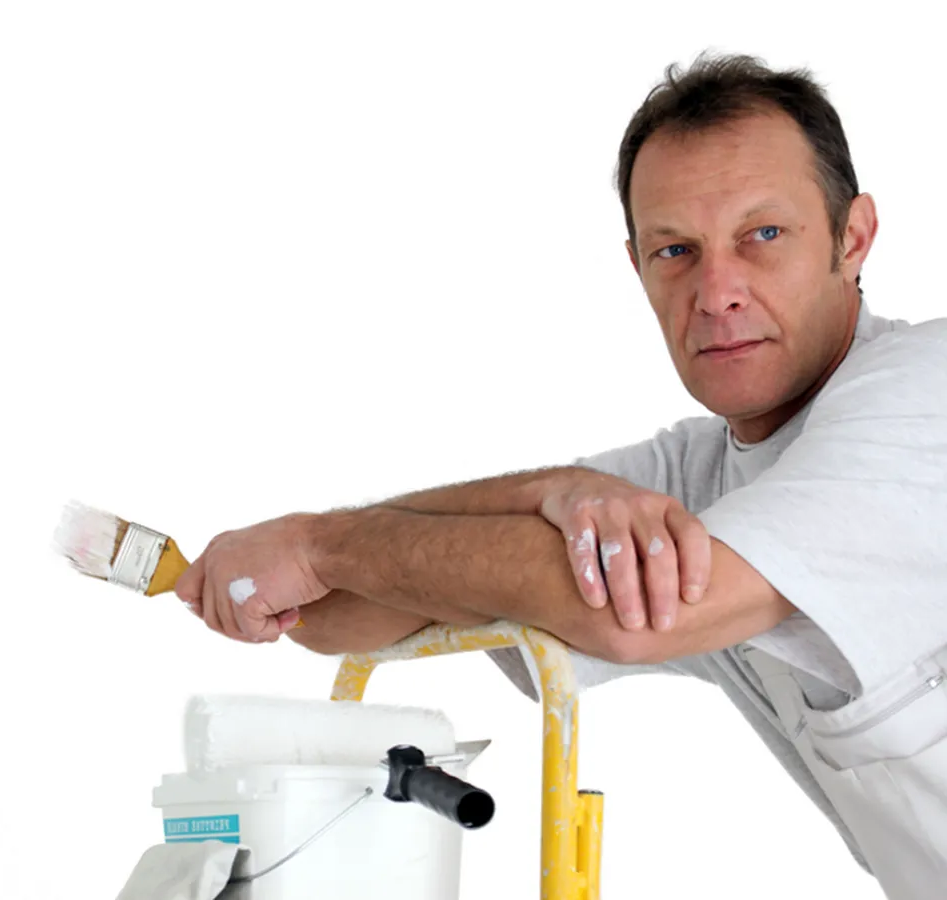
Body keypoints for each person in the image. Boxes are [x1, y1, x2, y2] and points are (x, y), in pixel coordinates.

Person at [173, 51, 947, 899]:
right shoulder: (699, 478)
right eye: (676, 250)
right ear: (638, 268)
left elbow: (639, 617)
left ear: (852, 237)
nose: (717, 291)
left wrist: (320, 544)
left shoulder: (925, 394)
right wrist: (549, 492)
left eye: (763, 235)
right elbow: (331, 614)